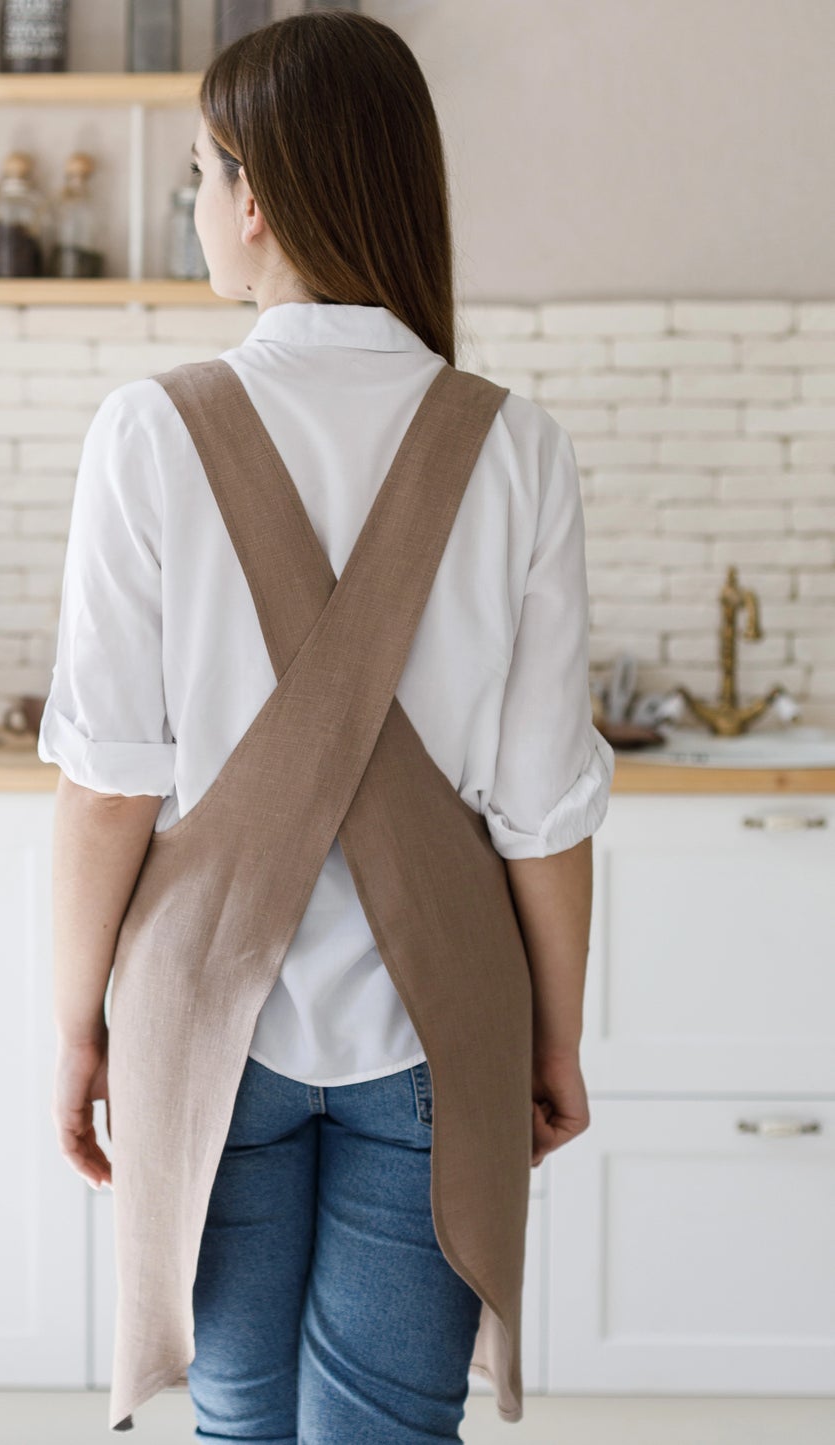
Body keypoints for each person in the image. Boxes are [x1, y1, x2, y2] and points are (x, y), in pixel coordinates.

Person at [40, 10, 614, 1441]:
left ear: (255, 192)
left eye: (194, 173)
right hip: (437, 1028)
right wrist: (555, 1032)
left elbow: (108, 787)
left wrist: (75, 1026)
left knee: (239, 1422)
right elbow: (543, 804)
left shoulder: (148, 431)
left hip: (200, 1019)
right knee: (386, 1428)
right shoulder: (512, 444)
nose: (193, 209)